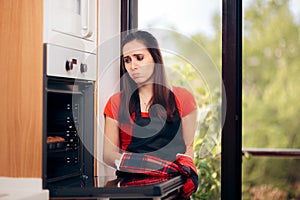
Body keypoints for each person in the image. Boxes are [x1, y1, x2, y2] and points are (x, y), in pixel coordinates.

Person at [103, 30, 198, 199]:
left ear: (155, 58)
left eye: (139, 58)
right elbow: (109, 155)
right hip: (130, 192)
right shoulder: (116, 102)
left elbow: (188, 148)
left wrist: (186, 171)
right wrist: (149, 166)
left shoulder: (183, 98)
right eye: (127, 60)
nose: (133, 66)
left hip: (171, 191)